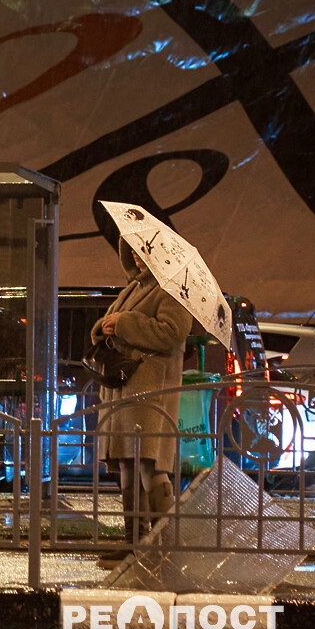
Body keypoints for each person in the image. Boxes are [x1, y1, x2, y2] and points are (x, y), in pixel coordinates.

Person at [91, 239, 193, 569]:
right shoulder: (135, 288)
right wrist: (106, 326)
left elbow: (173, 332)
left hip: (150, 391)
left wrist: (123, 324)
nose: (135, 254)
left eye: (141, 248)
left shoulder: (170, 290)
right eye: (132, 249)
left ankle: (167, 545)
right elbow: (107, 323)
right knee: (128, 464)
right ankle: (134, 544)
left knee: (149, 464)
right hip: (124, 390)